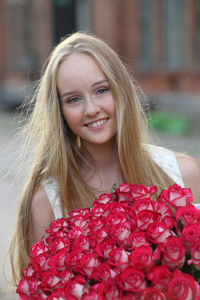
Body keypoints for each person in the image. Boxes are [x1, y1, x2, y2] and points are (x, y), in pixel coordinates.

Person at [8, 31, 200, 286]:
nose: (91, 109)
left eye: (101, 90)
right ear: (60, 111)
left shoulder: (182, 173)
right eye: (73, 99)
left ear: (121, 90)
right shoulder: (46, 202)